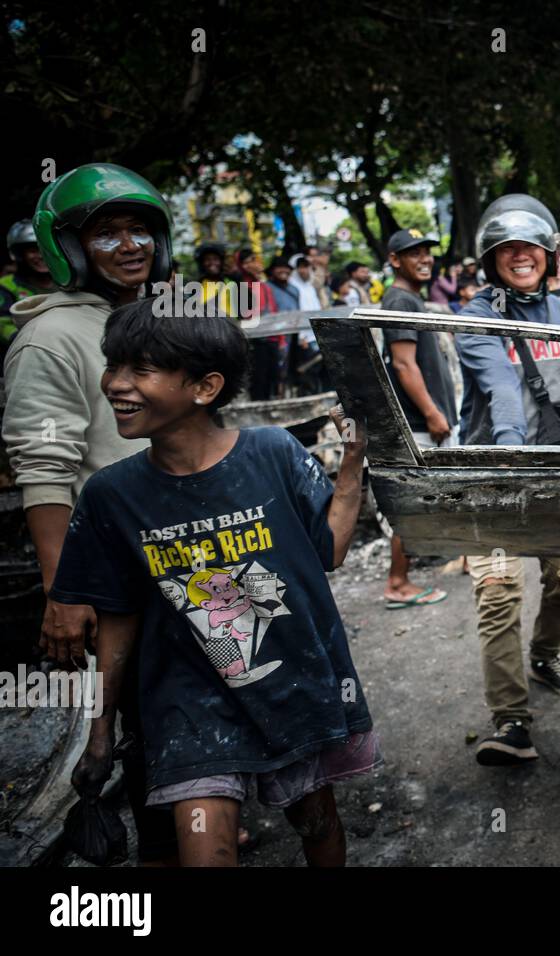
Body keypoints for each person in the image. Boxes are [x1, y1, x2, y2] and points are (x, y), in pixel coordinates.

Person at [56, 300, 377, 867]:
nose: (115, 384)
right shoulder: (111, 495)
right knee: (205, 850)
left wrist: (351, 466)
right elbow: (119, 615)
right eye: (114, 365)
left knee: (316, 822)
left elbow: (329, 550)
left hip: (288, 684)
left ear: (205, 387)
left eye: (140, 370)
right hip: (189, 705)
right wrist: (100, 731)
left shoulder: (273, 452)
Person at [2, 162, 180, 865]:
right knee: (147, 739)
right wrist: (63, 590)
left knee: (197, 715)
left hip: (188, 562)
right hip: (119, 579)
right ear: (68, 247)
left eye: (141, 230)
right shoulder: (52, 339)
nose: (131, 245)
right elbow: (42, 469)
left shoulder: (148, 321)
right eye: (108, 234)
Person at [455, 194, 560, 766]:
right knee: (498, 592)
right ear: (491, 259)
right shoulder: (475, 318)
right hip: (495, 473)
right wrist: (512, 453)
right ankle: (511, 719)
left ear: (549, 255)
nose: (521, 256)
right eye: (508, 249)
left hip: (559, 468)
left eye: (531, 248)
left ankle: (545, 656)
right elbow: (502, 392)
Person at [380, 228, 455, 610]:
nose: (424, 258)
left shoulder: (410, 299)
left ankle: (459, 556)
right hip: (421, 422)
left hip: (429, 419)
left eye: (427, 252)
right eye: (414, 253)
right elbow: (403, 364)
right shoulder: (400, 301)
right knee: (413, 502)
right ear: (395, 260)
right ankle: (398, 582)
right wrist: (432, 414)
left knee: (433, 495)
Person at [1, 219, 54, 352]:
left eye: (44, 249)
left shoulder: (69, 283)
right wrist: (24, 341)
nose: (41, 256)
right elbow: (2, 323)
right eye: (33, 250)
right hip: (24, 351)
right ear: (20, 255)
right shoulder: (7, 285)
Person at [236, 248, 283, 400]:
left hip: (273, 339)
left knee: (274, 379)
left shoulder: (266, 287)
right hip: (256, 341)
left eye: (256, 259)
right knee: (259, 381)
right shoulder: (241, 288)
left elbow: (274, 312)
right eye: (251, 261)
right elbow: (245, 316)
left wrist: (281, 340)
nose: (257, 264)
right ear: (243, 265)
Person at [195, 242, 237, 317]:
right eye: (207, 259)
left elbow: (249, 306)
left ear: (221, 261)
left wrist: (239, 280)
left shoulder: (230, 282)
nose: (212, 263)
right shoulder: (197, 286)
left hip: (233, 326)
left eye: (215, 259)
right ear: (202, 263)